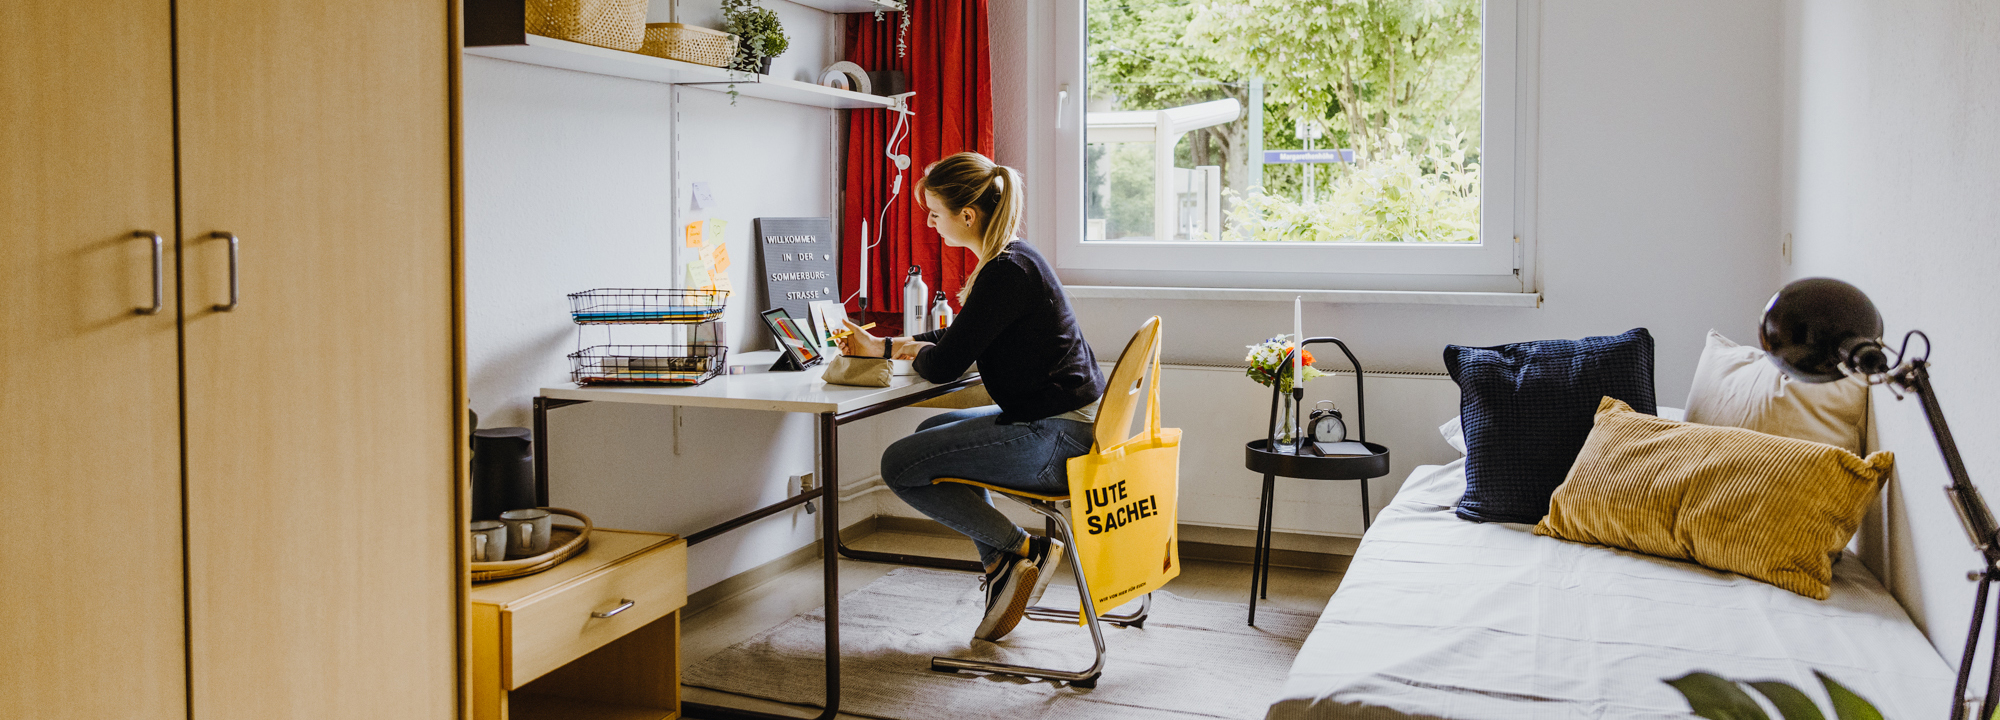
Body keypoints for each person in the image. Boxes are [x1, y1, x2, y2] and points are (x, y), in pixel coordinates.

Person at [837, 152, 1104, 643]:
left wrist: (902, 352)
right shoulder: (1016, 257)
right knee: (928, 434)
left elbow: (944, 364)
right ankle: (1003, 565)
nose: (930, 223)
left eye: (934, 212)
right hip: (1070, 423)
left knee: (899, 465)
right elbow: (960, 339)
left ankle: (1022, 550)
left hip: (1057, 440)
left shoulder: (1004, 272)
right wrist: (887, 347)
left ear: (967, 215)